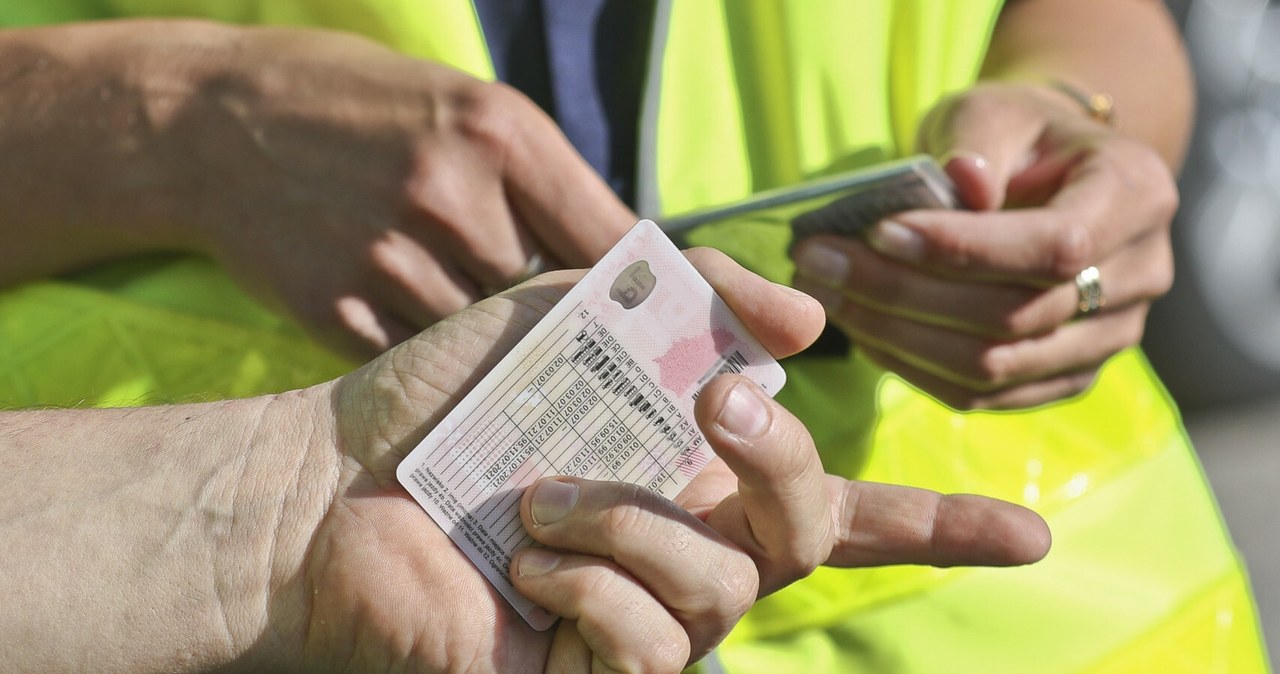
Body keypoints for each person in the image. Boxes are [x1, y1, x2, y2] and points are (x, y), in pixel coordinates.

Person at [0, 0, 1269, 672]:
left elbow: (1105, 17)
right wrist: (171, 119)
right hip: (224, 597)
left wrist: (1062, 118)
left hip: (1033, 624)